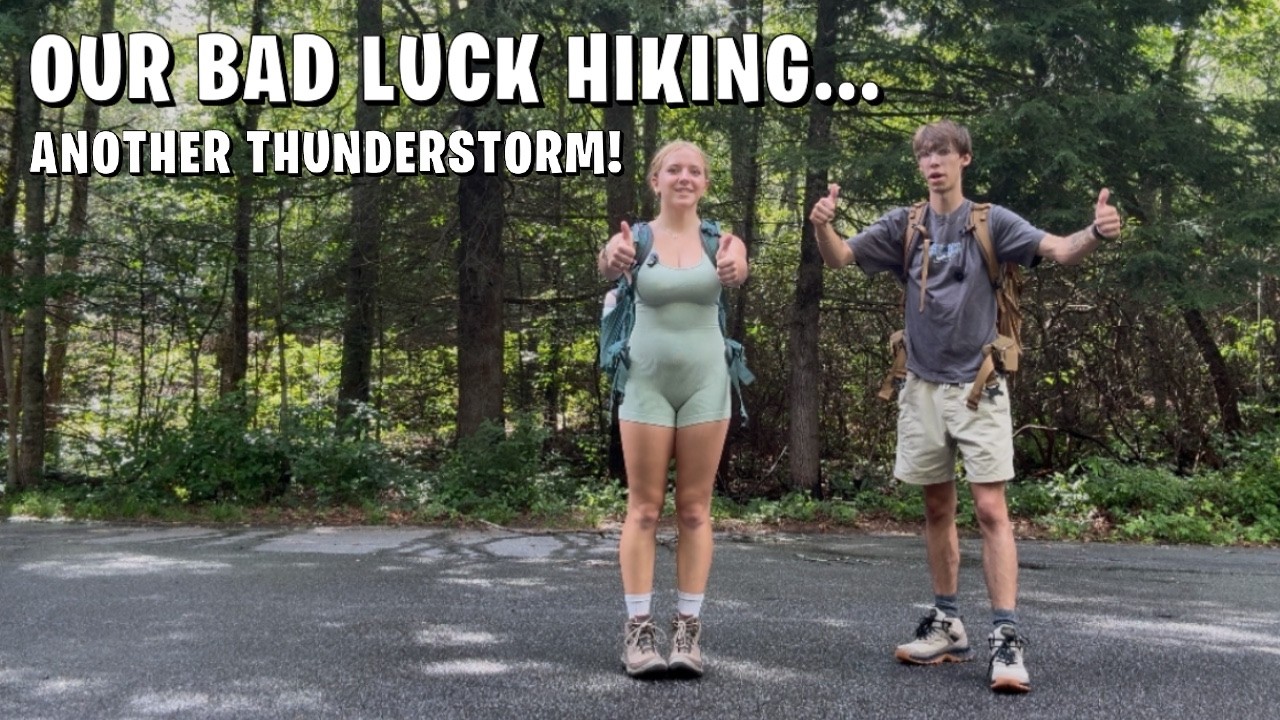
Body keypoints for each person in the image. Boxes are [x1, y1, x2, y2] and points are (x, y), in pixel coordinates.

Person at [807, 119, 1121, 694]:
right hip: (921, 386)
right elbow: (841, 257)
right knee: (934, 509)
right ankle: (948, 622)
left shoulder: (991, 221)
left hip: (978, 386)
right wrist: (823, 228)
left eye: (944, 152)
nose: (934, 162)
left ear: (965, 159)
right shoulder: (905, 224)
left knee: (991, 510)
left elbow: (1059, 249)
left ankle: (1006, 637)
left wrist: (1096, 232)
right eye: (925, 154)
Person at [597, 140, 749, 678]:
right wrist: (613, 260)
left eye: (695, 171)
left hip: (708, 385)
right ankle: (639, 631)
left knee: (694, 509)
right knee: (643, 508)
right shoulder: (633, 239)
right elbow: (607, 263)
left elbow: (736, 269)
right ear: (655, 180)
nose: (684, 177)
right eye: (673, 170)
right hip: (645, 385)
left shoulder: (722, 239)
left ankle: (688, 630)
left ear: (705, 183)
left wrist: (734, 268)